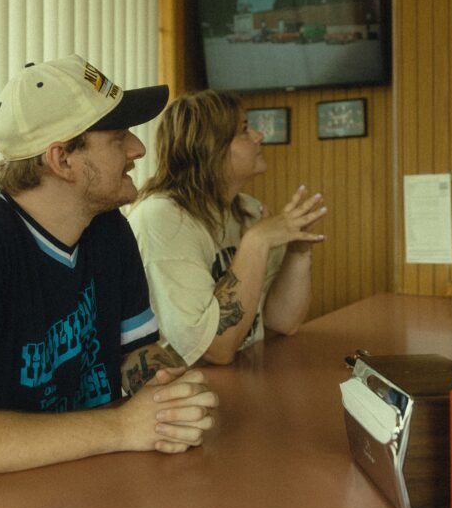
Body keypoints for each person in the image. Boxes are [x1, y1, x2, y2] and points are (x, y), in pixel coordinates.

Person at [0, 55, 219, 487]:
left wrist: (172, 391)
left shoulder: (108, 228)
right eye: (117, 137)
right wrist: (121, 428)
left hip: (71, 491)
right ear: (62, 160)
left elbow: (137, 355)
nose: (138, 148)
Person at [128, 90, 326, 366]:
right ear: (210, 148)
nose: (259, 136)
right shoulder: (161, 218)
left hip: (240, 376)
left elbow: (282, 322)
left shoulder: (247, 209)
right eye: (244, 131)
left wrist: (298, 249)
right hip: (181, 392)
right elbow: (213, 350)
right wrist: (257, 242)